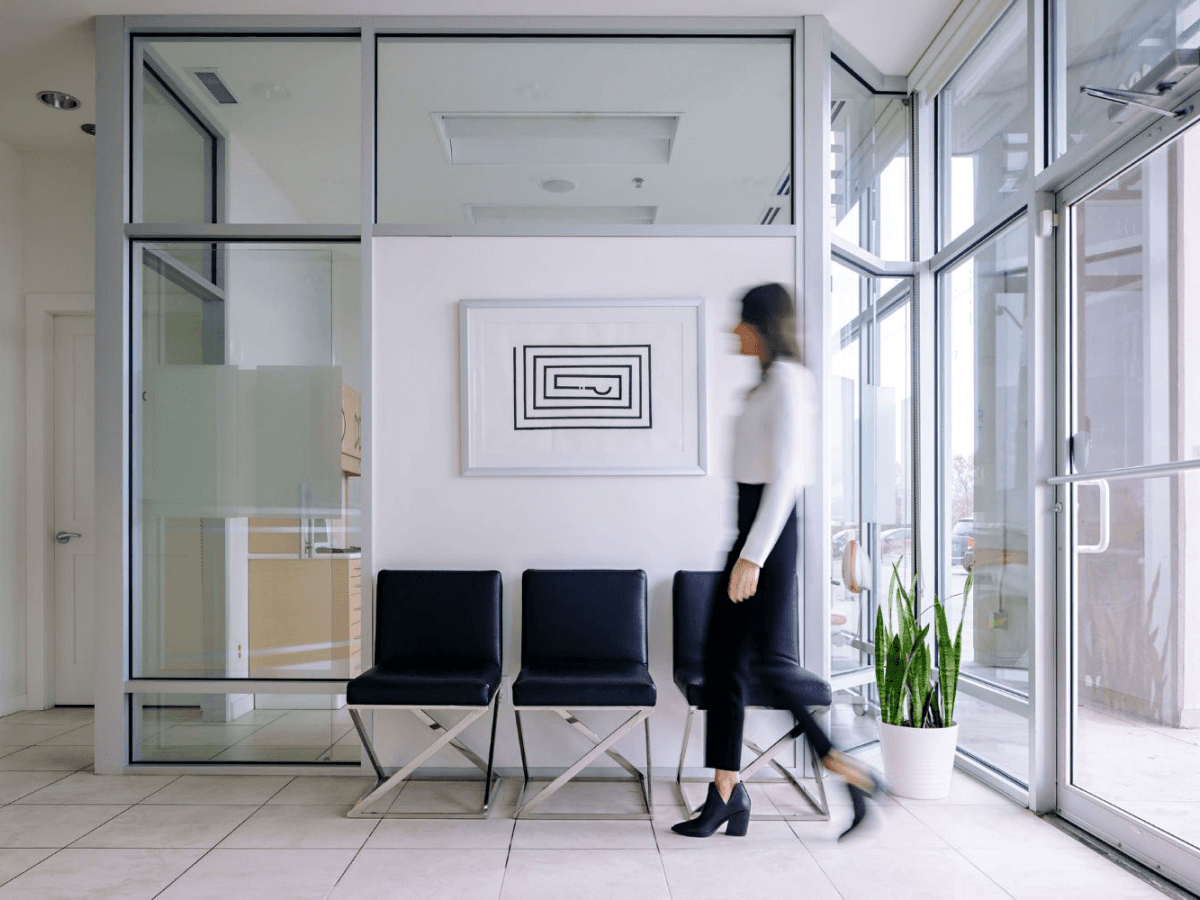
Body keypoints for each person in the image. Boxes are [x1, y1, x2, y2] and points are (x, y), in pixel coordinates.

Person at [672, 282, 879, 842]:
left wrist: (753, 558)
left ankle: (842, 770)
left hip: (768, 536)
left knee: (757, 664)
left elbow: (785, 479)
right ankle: (727, 793)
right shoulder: (765, 385)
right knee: (724, 664)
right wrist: (745, 548)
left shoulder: (789, 382)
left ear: (760, 327)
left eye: (740, 322)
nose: (731, 331)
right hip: (750, 532)